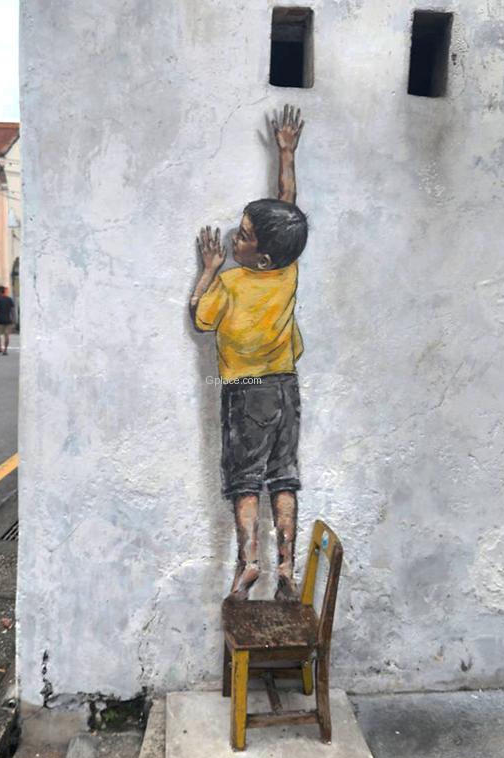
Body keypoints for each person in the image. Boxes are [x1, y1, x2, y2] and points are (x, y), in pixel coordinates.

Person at [190, 105, 307, 601]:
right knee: (284, 477)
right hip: (285, 387)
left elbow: (200, 317)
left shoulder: (233, 282)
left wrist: (208, 268)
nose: (234, 238)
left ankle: (249, 562)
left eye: (241, 236)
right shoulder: (286, 270)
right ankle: (287, 566)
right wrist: (286, 152)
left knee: (244, 481)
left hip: (244, 392)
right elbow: (288, 213)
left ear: (256, 255)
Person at [0, 286, 15, 355]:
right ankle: (5, 350)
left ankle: (0, 348)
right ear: (4, 291)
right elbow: (12, 310)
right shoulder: (9, 299)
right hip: (8, 320)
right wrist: (13, 319)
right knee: (6, 335)